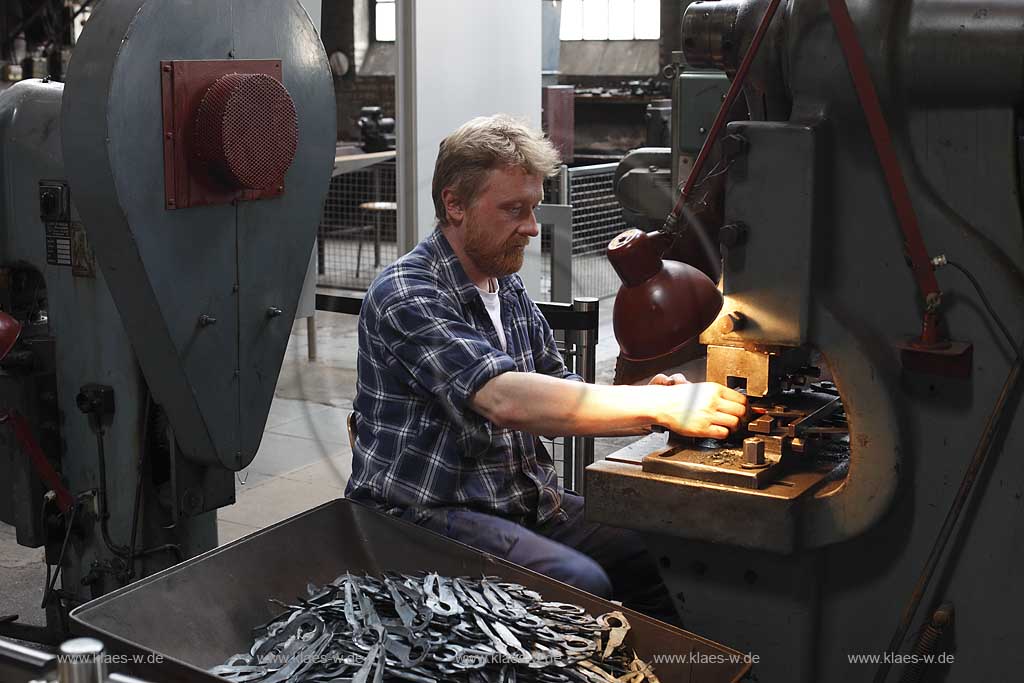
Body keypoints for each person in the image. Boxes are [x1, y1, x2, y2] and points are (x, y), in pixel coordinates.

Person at [345, 114, 747, 623]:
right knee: (583, 584)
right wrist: (658, 406)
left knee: (658, 552)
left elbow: (559, 389)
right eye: (514, 210)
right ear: (455, 204)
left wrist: (653, 396)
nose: (533, 228)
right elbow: (505, 398)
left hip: (518, 503)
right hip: (423, 516)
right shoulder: (406, 291)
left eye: (533, 208)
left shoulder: (504, 285)